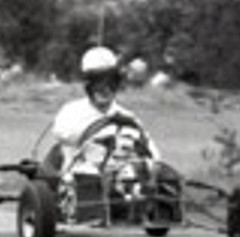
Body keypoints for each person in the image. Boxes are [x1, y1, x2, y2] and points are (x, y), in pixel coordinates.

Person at [47, 46, 160, 180]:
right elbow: (63, 135)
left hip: (123, 182)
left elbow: (153, 155)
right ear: (88, 85)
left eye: (110, 83)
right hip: (80, 183)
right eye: (98, 84)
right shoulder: (70, 112)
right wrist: (103, 132)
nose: (104, 90)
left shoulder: (128, 118)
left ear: (116, 85)